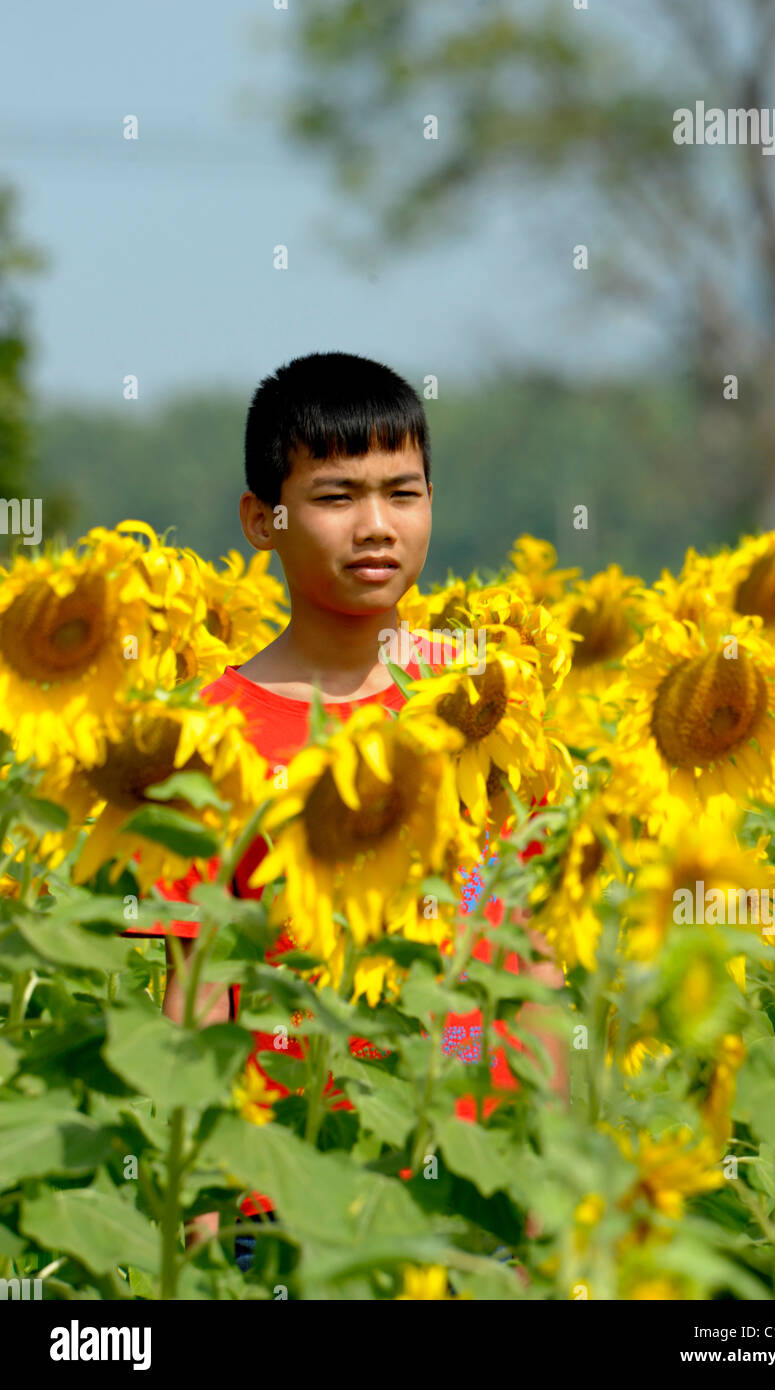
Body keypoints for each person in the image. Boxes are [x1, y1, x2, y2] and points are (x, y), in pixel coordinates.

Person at [122, 351, 568, 1269]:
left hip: (471, 1193)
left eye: (403, 493)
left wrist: (556, 1185)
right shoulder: (208, 733)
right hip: (284, 1199)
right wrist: (201, 1233)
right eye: (335, 497)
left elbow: (527, 956)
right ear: (262, 520)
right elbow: (197, 988)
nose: (376, 526)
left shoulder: (478, 701)